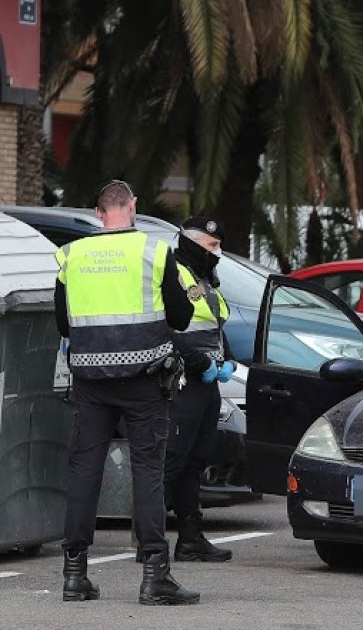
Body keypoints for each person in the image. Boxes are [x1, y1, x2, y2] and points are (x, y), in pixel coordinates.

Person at [55, 180, 200, 605]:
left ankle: (74, 576)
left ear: (98, 212)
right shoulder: (153, 252)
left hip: (90, 381)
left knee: (85, 469)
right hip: (145, 379)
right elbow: (181, 314)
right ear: (132, 207)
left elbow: (64, 324)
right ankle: (155, 576)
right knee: (147, 470)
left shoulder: (72, 255)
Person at [154, 216, 236, 563]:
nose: (217, 252)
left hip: (207, 381)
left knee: (195, 460)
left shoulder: (204, 278)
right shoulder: (174, 273)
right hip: (183, 379)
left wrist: (227, 358)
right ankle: (150, 542)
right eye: (211, 245)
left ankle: (190, 538)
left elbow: (214, 324)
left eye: (218, 245)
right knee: (171, 460)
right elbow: (167, 330)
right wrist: (202, 364)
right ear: (190, 241)